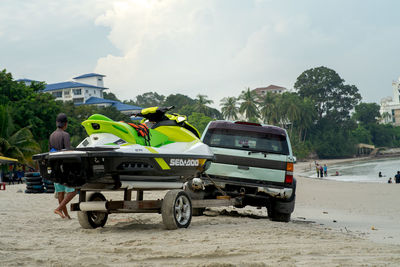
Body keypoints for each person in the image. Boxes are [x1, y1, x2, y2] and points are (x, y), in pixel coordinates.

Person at [49, 113, 77, 219]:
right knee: (73, 190)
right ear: (65, 124)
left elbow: (51, 150)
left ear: (57, 123)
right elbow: (67, 151)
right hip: (64, 166)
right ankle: (59, 208)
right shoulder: (65, 135)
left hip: (55, 167)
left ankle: (66, 215)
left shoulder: (52, 135)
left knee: (60, 192)